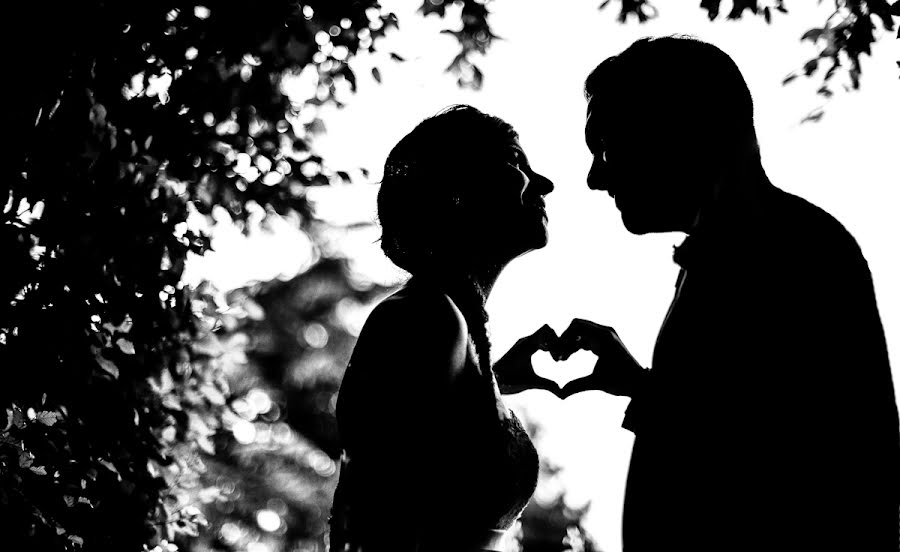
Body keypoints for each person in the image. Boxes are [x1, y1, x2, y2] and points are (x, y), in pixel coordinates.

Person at [555, 36, 900, 551]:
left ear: (676, 132)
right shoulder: (728, 255)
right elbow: (738, 425)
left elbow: (817, 472)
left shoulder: (796, 253)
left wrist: (653, 396)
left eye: (607, 148)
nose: (594, 177)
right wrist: (642, 387)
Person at [328, 105, 560, 552]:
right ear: (458, 189)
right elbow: (386, 519)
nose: (544, 183)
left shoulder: (443, 319)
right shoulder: (422, 317)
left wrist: (491, 382)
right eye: (515, 160)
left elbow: (439, 442)